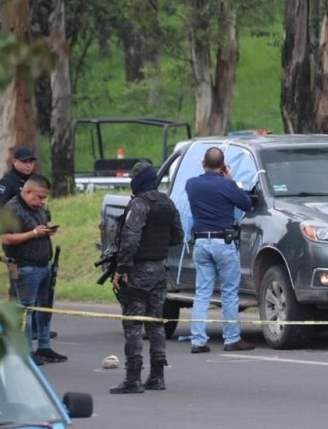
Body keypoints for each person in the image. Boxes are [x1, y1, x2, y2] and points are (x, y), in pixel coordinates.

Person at [109, 162, 184, 394]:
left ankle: (133, 378)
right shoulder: (167, 203)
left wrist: (121, 268)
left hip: (138, 271)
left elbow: (130, 239)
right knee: (156, 323)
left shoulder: (139, 204)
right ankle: (157, 376)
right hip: (160, 270)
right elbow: (178, 236)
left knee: (133, 324)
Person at [186, 147, 254, 354]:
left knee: (202, 293)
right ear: (223, 165)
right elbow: (247, 204)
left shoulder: (191, 185)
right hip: (223, 243)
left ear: (203, 163)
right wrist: (230, 179)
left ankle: (198, 340)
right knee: (229, 293)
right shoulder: (227, 185)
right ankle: (231, 338)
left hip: (201, 243)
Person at [0, 174, 66, 365]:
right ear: (27, 191)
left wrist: (47, 229)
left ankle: (44, 346)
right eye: (39, 197)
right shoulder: (11, 209)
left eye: (45, 198)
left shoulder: (39, 208)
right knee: (25, 310)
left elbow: (42, 223)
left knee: (44, 307)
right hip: (24, 266)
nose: (42, 202)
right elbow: (5, 238)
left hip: (44, 265)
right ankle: (26, 351)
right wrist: (34, 233)